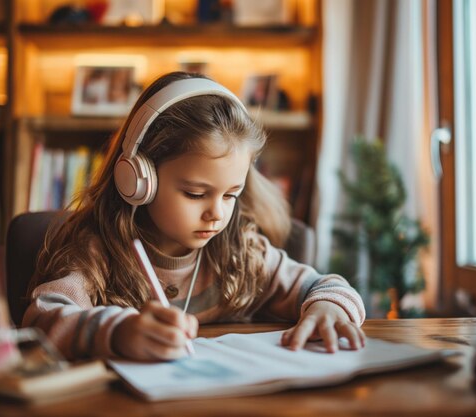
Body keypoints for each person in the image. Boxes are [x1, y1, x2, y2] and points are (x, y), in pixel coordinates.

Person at [23, 71, 366, 361]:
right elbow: (41, 319)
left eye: (231, 194)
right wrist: (117, 332)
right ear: (138, 179)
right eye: (196, 194)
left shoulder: (242, 253)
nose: (217, 213)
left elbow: (328, 286)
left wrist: (329, 308)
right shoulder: (98, 252)